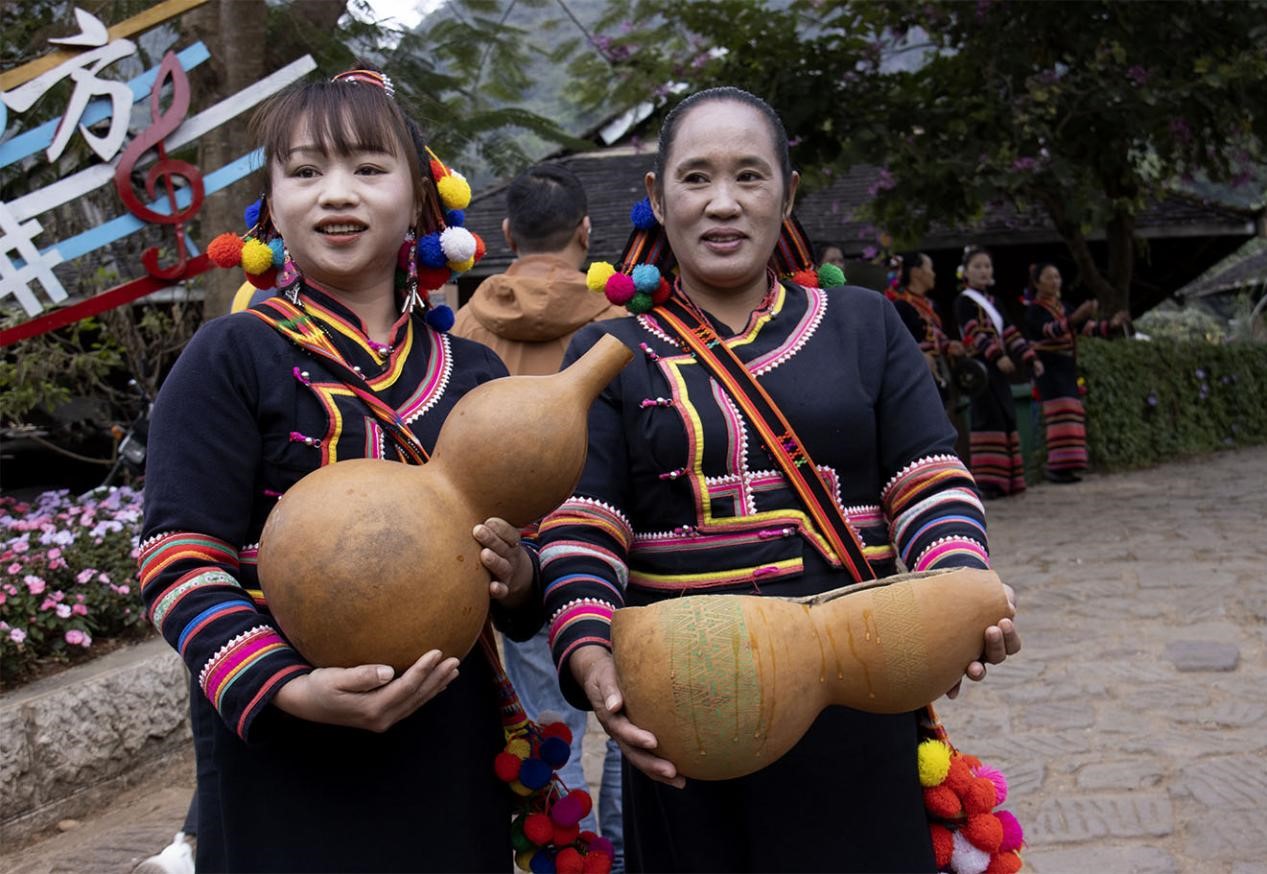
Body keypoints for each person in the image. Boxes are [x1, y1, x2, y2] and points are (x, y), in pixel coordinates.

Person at [538, 87, 1021, 872]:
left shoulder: (863, 325)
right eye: (694, 179)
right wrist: (593, 658)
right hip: (684, 722)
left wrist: (959, 589)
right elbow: (582, 524)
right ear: (657, 199)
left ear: (787, 193)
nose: (721, 203)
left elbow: (927, 481)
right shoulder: (609, 356)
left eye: (749, 177)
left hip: (858, 697)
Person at [138, 67, 543, 872]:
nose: (336, 193)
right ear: (272, 204)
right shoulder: (233, 356)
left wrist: (520, 573)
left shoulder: (473, 376)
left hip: (446, 739)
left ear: (421, 199)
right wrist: (287, 689)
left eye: (367, 167)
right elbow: (174, 557)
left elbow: (526, 576)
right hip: (284, 755)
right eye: (305, 171)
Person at [451, 162, 626, 868]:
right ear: (586, 230)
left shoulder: (466, 327)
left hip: (510, 555)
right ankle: (621, 854)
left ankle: (559, 858)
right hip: (611, 549)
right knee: (628, 715)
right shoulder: (619, 324)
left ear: (503, 233)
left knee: (541, 722)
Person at [1023, 262, 1129, 482]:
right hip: (1049, 368)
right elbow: (1050, 331)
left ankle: (1068, 466)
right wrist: (1074, 319)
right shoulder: (1035, 310)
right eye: (1049, 277)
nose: (1055, 282)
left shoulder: (1064, 307)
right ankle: (1055, 467)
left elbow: (1087, 329)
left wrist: (1112, 324)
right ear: (1037, 283)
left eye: (1057, 277)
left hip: (1066, 367)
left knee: (1071, 414)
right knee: (1057, 415)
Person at [954, 246, 1043, 499]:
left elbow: (1011, 333)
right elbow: (973, 333)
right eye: (978, 266)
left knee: (1006, 418)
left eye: (987, 266)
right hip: (981, 371)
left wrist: (1029, 357)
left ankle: (1010, 480)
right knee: (987, 419)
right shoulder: (964, 301)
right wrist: (998, 355)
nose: (984, 271)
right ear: (966, 272)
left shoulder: (995, 302)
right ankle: (989, 482)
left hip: (999, 370)